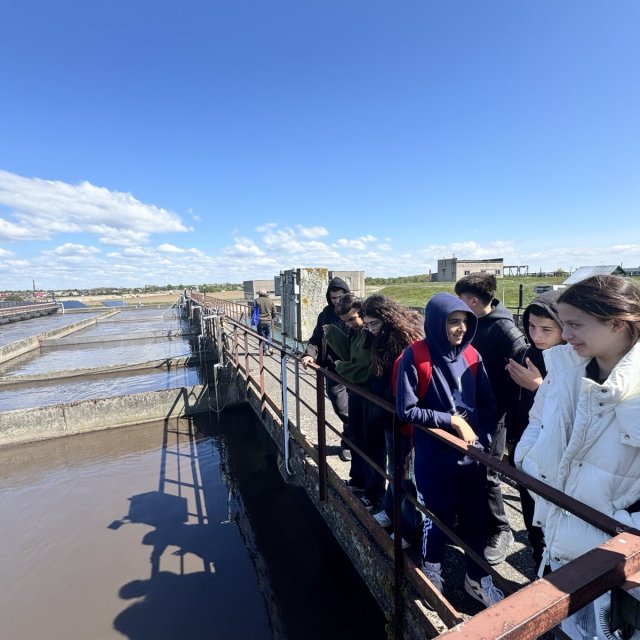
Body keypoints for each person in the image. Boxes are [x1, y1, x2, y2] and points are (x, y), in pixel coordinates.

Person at [515, 275, 640, 639]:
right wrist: (530, 461)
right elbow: (538, 418)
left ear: (616, 323)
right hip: (559, 538)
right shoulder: (566, 367)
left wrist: (621, 525)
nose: (565, 334)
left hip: (615, 553)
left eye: (574, 324)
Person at [396, 292, 504, 607]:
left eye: (465, 322)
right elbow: (406, 410)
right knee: (437, 517)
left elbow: (487, 403)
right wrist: (451, 421)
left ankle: (477, 578)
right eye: (453, 322)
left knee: (476, 518)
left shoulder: (472, 355)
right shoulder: (415, 356)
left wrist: (483, 440)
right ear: (435, 322)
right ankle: (432, 569)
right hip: (434, 458)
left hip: (472, 457)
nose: (461, 328)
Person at [455, 273, 527, 565]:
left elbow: (520, 377)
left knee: (488, 472)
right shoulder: (473, 324)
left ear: (473, 301)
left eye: (460, 299)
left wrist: (510, 422)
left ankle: (501, 529)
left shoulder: (505, 331)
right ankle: (473, 520)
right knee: (467, 466)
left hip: (494, 415)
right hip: (470, 410)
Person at [505, 289, 564, 571]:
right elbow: (513, 402)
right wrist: (511, 439)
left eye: (546, 329)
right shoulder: (524, 353)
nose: (537, 335)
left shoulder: (573, 362)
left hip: (556, 454)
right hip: (526, 447)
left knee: (554, 519)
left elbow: (570, 413)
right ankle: (538, 563)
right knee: (530, 514)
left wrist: (538, 387)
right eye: (531, 326)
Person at [359, 294, 423, 545]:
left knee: (406, 476)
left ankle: (408, 526)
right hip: (389, 415)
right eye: (367, 325)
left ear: (387, 318)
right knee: (394, 469)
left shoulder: (406, 341)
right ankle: (390, 510)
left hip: (403, 417)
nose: (370, 329)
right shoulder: (380, 338)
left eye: (373, 324)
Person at [323, 294, 371, 493]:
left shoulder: (370, 333)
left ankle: (372, 491)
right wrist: (333, 333)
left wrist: (341, 367)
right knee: (357, 439)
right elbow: (352, 356)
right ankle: (357, 481)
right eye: (346, 321)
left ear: (362, 311)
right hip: (358, 394)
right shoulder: (356, 333)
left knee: (371, 447)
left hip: (370, 398)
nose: (351, 324)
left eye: (353, 318)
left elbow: (366, 369)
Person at [301, 277, 352, 462]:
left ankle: (348, 445)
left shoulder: (355, 312)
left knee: (355, 408)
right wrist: (309, 354)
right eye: (333, 298)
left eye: (340, 297)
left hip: (355, 370)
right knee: (342, 409)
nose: (337, 301)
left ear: (347, 295)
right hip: (332, 369)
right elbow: (315, 338)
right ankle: (354, 442)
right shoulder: (325, 315)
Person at [254, 289, 276, 355]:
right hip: (268, 321)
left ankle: (263, 350)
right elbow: (274, 311)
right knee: (268, 335)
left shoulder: (256, 300)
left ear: (259, 294)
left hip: (260, 321)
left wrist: (254, 320)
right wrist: (271, 317)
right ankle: (270, 347)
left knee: (261, 336)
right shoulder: (270, 300)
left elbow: (253, 311)